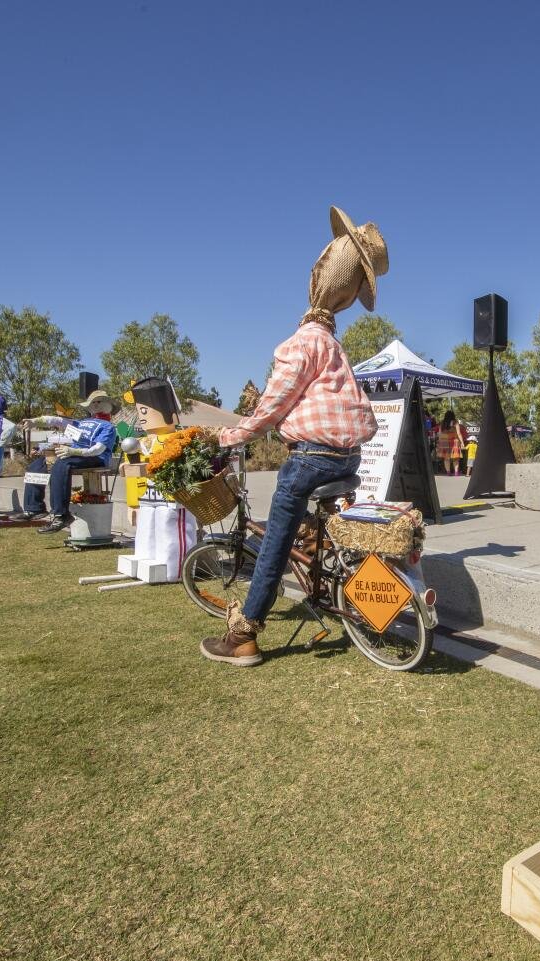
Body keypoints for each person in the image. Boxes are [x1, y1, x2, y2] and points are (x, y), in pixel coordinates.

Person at [200, 205, 387, 667]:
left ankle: (244, 635)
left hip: (313, 459)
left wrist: (228, 438)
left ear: (317, 278)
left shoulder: (303, 342)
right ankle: (317, 563)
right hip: (347, 459)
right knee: (302, 514)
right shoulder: (334, 347)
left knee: (275, 542)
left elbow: (272, 406)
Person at [116, 377, 198, 583]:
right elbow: (133, 474)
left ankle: (175, 569)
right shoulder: (138, 443)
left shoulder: (178, 440)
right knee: (145, 530)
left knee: (168, 527)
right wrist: (132, 503)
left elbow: (182, 468)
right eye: (139, 411)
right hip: (148, 496)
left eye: (146, 411)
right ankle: (145, 561)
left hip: (172, 498)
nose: (142, 417)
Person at [14, 390, 120, 533]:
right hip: (72, 455)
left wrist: (73, 451)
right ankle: (34, 508)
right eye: (93, 402)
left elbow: (99, 449)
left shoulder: (108, 427)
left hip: (95, 458)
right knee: (37, 465)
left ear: (109, 406)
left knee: (62, 464)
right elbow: (58, 420)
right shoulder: (81, 423)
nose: (96, 404)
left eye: (100, 401)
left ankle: (61, 514)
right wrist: (35, 421)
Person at [438, 410, 465, 476]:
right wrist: (462, 442)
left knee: (446, 458)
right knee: (455, 458)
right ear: (453, 415)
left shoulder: (442, 422)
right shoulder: (455, 422)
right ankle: (456, 473)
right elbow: (458, 433)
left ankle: (448, 472)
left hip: (444, 441)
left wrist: (440, 442)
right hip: (454, 441)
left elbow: (440, 433)